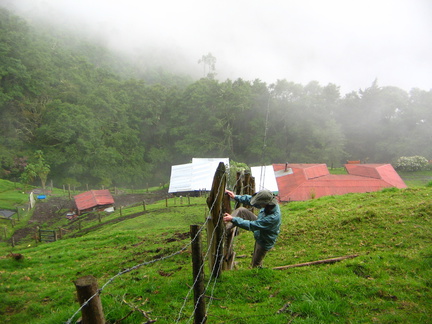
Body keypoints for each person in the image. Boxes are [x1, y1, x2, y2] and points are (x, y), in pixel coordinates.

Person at [223, 189, 281, 268]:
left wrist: (233, 219)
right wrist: (235, 196)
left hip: (264, 239)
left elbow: (252, 225)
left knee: (255, 264)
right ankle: (224, 229)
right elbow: (251, 200)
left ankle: (257, 272)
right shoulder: (268, 204)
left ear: (265, 203)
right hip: (259, 226)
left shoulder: (272, 218)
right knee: (241, 210)